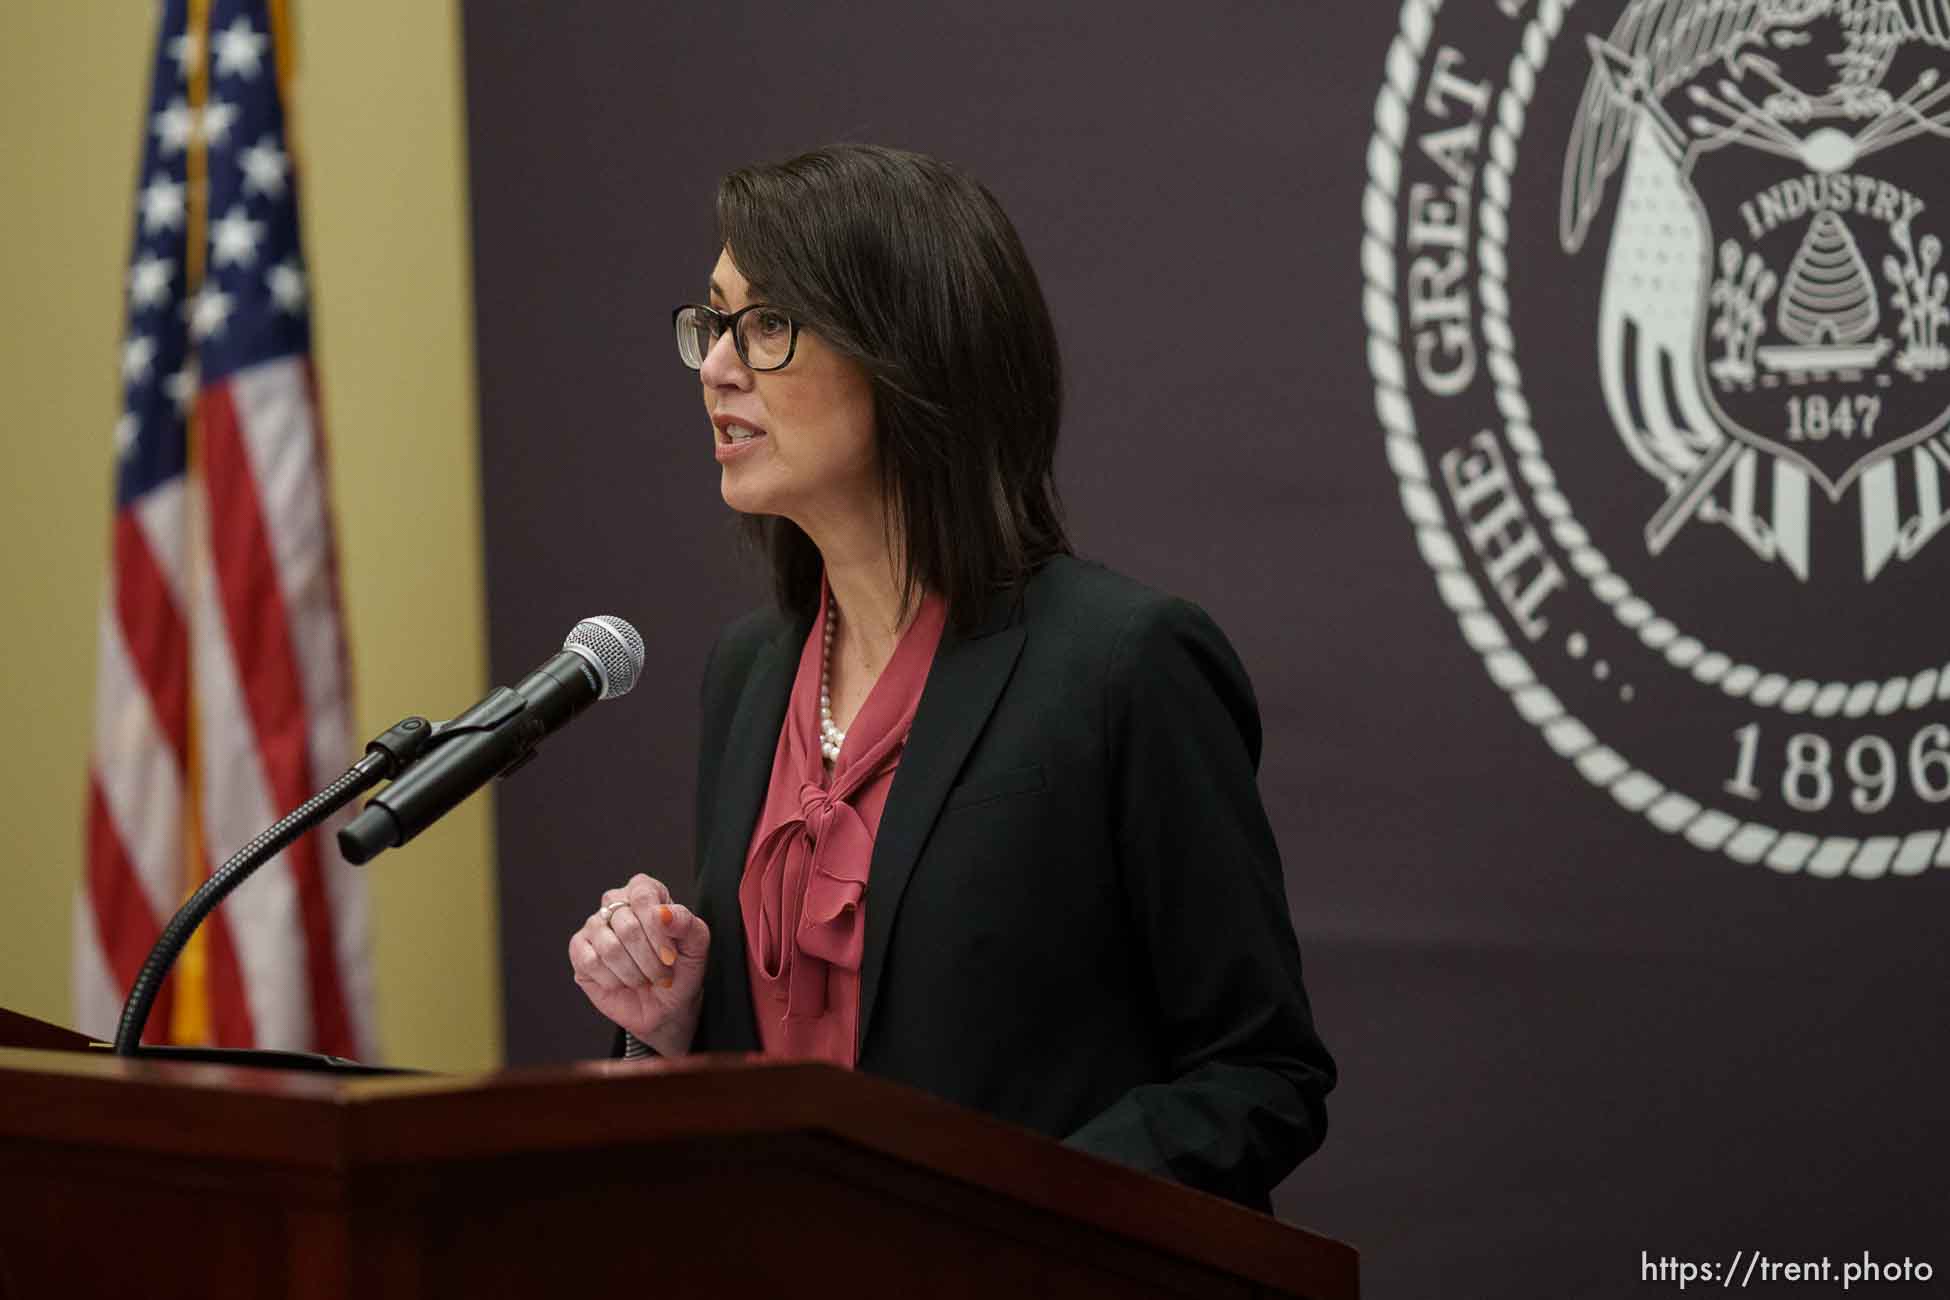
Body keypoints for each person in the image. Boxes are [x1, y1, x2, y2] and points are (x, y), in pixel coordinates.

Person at [566, 144, 1334, 1211]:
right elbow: (770, 1073)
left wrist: (1016, 1219)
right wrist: (669, 1021)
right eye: (714, 323)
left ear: (909, 354)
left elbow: (1260, 1078)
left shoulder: (1124, 665)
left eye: (769, 325)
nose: (718, 367)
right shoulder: (748, 675)